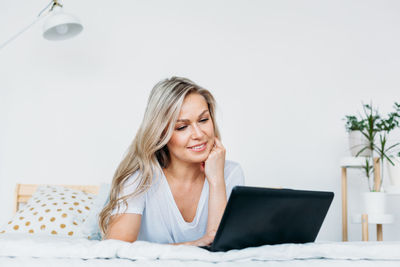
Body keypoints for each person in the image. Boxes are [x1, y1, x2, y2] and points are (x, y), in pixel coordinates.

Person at [99, 77, 245, 246]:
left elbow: (220, 247)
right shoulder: (139, 179)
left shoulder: (230, 173)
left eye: (203, 120)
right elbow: (114, 250)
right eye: (182, 127)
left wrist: (216, 180)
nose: (198, 134)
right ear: (161, 134)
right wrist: (194, 244)